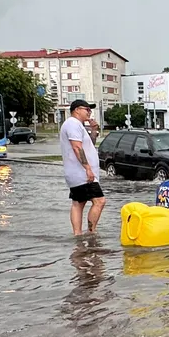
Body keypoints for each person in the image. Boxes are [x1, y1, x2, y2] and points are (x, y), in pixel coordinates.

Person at [60, 99, 105, 236]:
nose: (89, 112)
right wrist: (88, 168)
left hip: (77, 172)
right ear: (77, 110)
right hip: (81, 173)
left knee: (78, 203)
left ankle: (78, 235)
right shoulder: (73, 124)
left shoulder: (77, 125)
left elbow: (88, 145)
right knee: (99, 201)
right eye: (87, 109)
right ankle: (91, 232)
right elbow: (77, 147)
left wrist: (93, 130)